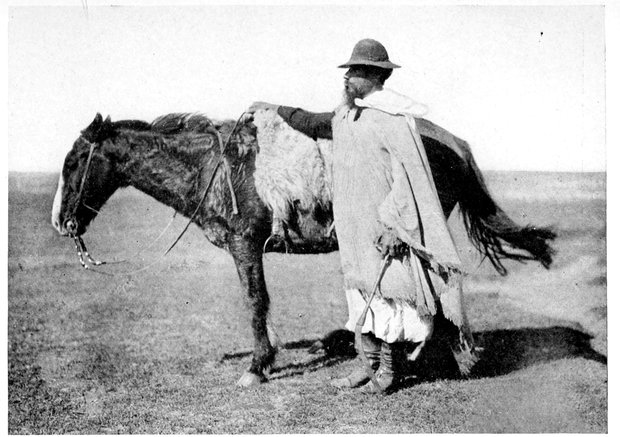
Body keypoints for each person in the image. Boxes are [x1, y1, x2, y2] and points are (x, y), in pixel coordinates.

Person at [247, 39, 476, 392]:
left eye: (354, 72)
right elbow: (309, 122)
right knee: (361, 296)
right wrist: (274, 107)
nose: (347, 78)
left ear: (374, 76)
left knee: (389, 296)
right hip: (353, 231)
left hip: (384, 229)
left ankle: (387, 372)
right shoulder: (345, 116)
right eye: (348, 72)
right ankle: (366, 365)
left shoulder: (394, 120)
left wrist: (395, 226)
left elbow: (409, 177)